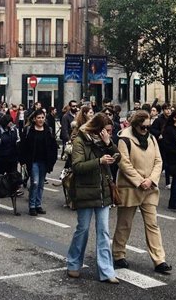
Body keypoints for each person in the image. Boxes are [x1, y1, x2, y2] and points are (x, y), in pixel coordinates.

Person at [112, 110, 172, 275]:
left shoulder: (152, 138)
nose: (146, 129)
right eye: (143, 127)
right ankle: (118, 254)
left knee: (152, 224)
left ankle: (159, 260)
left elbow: (158, 161)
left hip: (149, 188)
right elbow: (123, 163)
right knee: (125, 223)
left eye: (149, 126)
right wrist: (139, 181)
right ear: (135, 125)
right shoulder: (124, 138)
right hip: (131, 187)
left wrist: (151, 180)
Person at [66, 113, 120, 284]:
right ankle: (74, 264)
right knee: (82, 229)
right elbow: (77, 166)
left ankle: (106, 271)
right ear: (97, 129)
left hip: (102, 191)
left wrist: (108, 144)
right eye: (106, 131)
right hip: (85, 191)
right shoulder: (79, 141)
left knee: (103, 231)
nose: (108, 134)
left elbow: (118, 156)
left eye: (110, 131)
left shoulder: (104, 141)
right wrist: (99, 161)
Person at [20, 109, 58, 216]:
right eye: (38, 117)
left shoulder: (48, 130)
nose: (41, 120)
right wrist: (22, 160)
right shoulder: (28, 130)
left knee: (41, 184)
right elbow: (23, 146)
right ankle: (32, 206)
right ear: (34, 119)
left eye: (42, 117)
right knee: (35, 182)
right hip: (33, 161)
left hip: (44, 161)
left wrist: (52, 161)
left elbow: (53, 147)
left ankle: (38, 204)